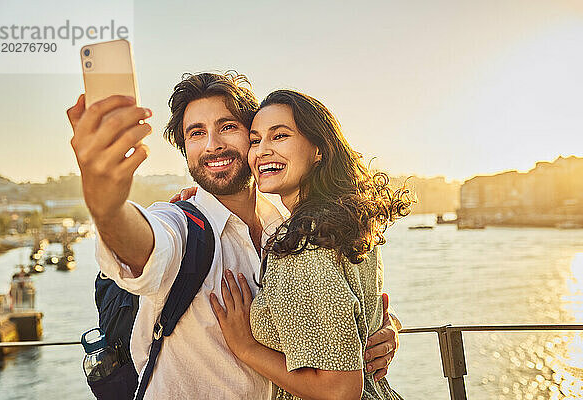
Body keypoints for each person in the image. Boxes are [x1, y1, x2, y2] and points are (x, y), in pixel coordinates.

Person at [67, 72, 399, 399]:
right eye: (196, 133)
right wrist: (106, 206)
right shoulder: (180, 226)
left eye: (227, 127)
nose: (213, 145)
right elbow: (144, 245)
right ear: (185, 150)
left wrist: (382, 330)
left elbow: (336, 310)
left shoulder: (290, 228)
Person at [208, 90, 412, 399]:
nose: (262, 151)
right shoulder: (344, 221)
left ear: (318, 149)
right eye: (255, 140)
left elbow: (339, 391)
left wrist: (246, 347)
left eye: (279, 136)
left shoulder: (304, 240)